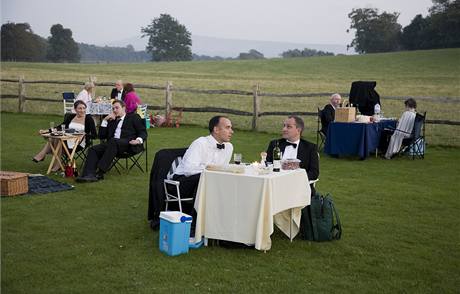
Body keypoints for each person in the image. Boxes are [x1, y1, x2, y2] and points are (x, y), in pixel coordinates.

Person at [172, 116, 234, 216]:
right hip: (182, 182)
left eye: (231, 128)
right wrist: (211, 169)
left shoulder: (229, 147)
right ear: (216, 129)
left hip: (209, 181)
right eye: (227, 128)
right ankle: (195, 223)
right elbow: (188, 170)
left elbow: (223, 170)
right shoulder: (200, 143)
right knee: (207, 178)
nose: (231, 131)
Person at [76, 100, 147, 182]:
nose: (114, 110)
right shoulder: (111, 120)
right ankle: (88, 174)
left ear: (124, 108)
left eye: (117, 108)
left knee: (113, 141)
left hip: (128, 144)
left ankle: (100, 172)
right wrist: (105, 121)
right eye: (113, 108)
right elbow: (101, 136)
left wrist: (138, 140)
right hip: (112, 146)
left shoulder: (133, 117)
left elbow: (143, 132)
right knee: (93, 149)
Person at [32, 101, 97, 171]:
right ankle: (56, 163)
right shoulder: (71, 117)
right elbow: (60, 127)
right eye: (80, 108)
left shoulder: (89, 119)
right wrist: (47, 130)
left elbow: (94, 135)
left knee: (56, 140)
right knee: (55, 138)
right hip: (66, 139)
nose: (82, 110)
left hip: (78, 142)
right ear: (75, 109)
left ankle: (44, 156)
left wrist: (84, 135)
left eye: (84, 108)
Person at [266, 116, 319, 195]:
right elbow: (267, 164)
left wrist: (294, 179)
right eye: (284, 126)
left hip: (299, 189)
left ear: (298, 130)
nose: (284, 129)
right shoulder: (275, 144)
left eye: (289, 127)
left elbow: (314, 173)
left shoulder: (310, 148)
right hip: (275, 187)